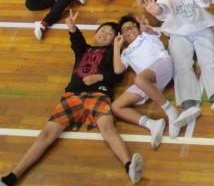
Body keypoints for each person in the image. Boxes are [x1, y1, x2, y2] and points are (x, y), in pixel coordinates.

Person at [0, 11, 144, 185]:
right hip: (72, 96)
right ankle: (12, 177)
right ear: (96, 33)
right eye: (102, 30)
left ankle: (129, 166)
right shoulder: (84, 50)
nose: (104, 34)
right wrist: (73, 28)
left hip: (99, 95)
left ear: (115, 39)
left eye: (109, 33)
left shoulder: (113, 53)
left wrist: (100, 77)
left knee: (108, 128)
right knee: (46, 134)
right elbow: (77, 43)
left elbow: (117, 75)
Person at [111, 15, 180, 148]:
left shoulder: (146, 35)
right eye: (125, 29)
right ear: (122, 35)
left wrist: (146, 28)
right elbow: (118, 70)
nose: (129, 30)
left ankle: (171, 112)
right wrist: (116, 47)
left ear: (138, 28)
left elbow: (150, 31)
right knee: (116, 107)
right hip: (147, 82)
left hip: (162, 64)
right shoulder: (125, 52)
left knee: (139, 79)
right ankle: (152, 124)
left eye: (132, 27)